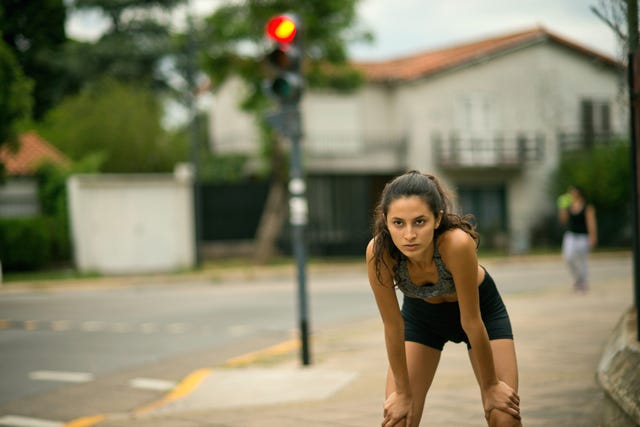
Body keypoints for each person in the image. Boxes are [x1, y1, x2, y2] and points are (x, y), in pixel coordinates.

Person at [366, 170, 521, 427]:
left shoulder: (457, 244)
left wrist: (491, 385)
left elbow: (471, 321)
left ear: (437, 219)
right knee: (399, 419)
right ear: (385, 219)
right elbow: (393, 326)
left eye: (419, 222)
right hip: (422, 319)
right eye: (398, 223)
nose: (409, 235)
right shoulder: (379, 252)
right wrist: (403, 394)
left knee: (503, 416)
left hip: (481, 314)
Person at [557, 185, 597, 293]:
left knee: (582, 260)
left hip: (583, 236)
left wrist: (593, 236)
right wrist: (562, 208)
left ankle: (583, 282)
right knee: (568, 258)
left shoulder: (587, 206)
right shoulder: (569, 206)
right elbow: (563, 220)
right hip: (571, 236)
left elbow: (591, 222)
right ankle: (578, 279)